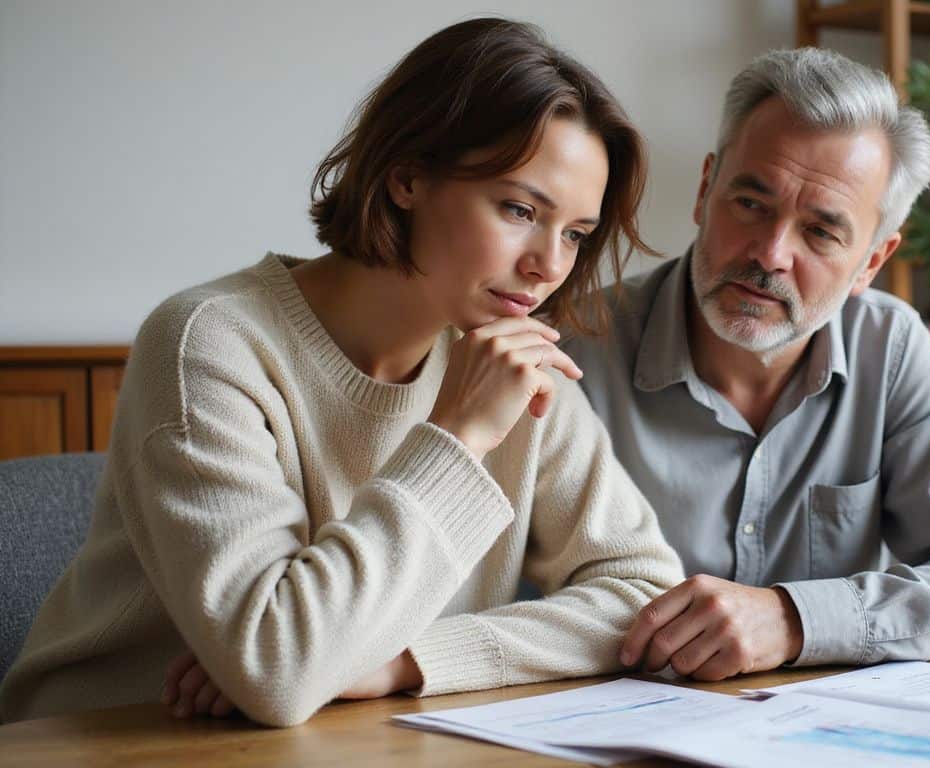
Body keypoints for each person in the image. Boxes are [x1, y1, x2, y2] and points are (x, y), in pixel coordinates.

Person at [0, 18, 683, 726]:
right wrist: (456, 438)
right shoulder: (209, 343)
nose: (548, 265)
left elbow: (643, 593)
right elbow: (280, 666)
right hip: (110, 739)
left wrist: (403, 662)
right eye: (519, 209)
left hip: (355, 740)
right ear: (407, 177)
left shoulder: (512, 360)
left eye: (574, 233)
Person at [563, 47, 930, 682]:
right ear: (705, 189)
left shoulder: (891, 347)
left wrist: (796, 620)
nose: (769, 254)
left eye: (821, 232)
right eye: (750, 204)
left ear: (872, 262)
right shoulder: (575, 344)